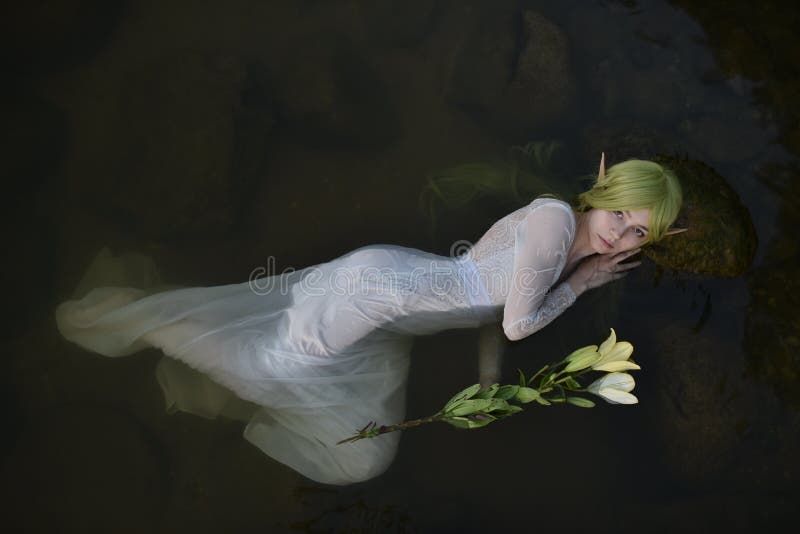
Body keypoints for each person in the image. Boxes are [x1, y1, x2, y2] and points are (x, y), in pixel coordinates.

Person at [55, 154, 683, 485]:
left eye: (637, 234)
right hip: (384, 295)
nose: (618, 236)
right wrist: (582, 284)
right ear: (603, 184)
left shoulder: (560, 236)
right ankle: (138, 323)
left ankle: (156, 325)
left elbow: (497, 313)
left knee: (361, 451)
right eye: (619, 215)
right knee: (268, 361)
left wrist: (490, 383)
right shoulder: (554, 230)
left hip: (397, 302)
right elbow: (521, 322)